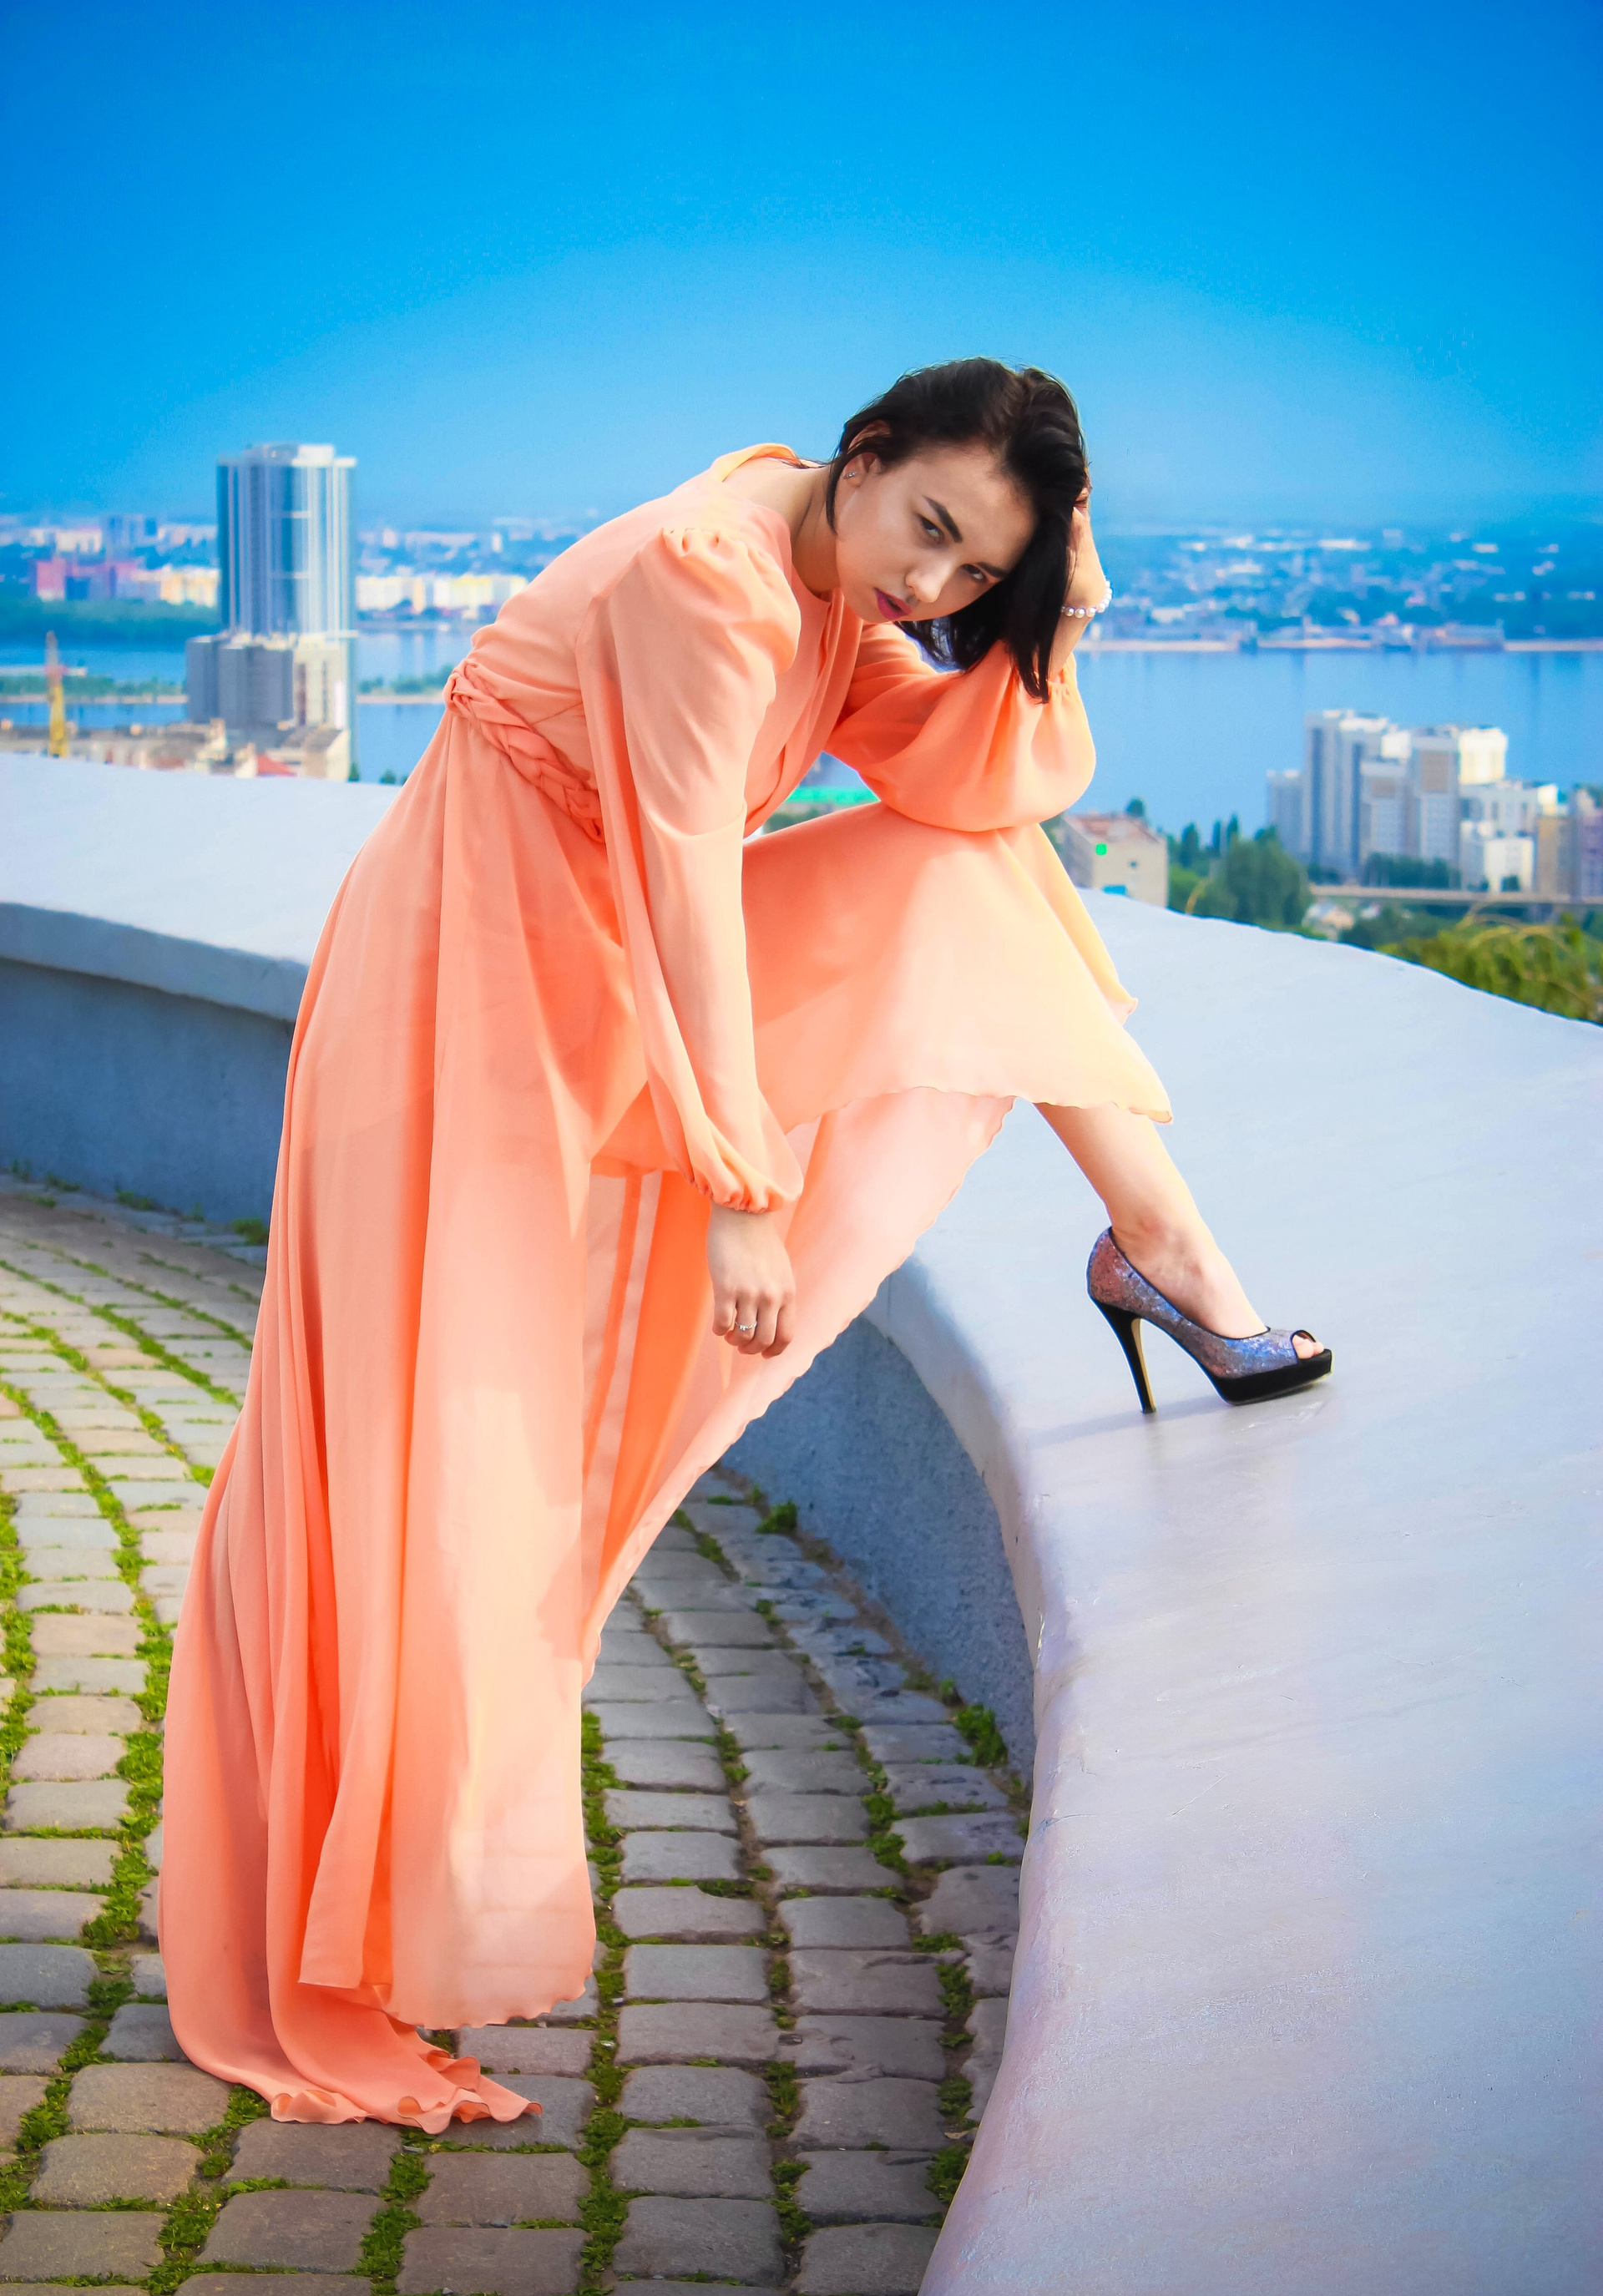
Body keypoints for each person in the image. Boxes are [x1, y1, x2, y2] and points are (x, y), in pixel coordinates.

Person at [161, 357, 1327, 2128]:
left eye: (975, 573)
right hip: (464, 1003)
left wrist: (1065, 611)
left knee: (967, 871)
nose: (932, 586)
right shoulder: (713, 578)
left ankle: (1162, 1241)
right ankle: (334, 1928)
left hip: (592, 974)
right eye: (928, 529)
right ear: (864, 456)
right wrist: (740, 1191)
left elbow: (973, 788)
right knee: (442, 1465)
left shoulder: (836, 584)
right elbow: (686, 883)